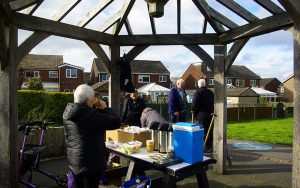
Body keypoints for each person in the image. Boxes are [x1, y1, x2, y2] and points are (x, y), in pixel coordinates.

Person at [63, 84, 121, 188]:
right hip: (91, 164)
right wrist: (105, 108)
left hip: (74, 161)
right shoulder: (89, 115)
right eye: (93, 98)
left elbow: (90, 121)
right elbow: (116, 122)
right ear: (89, 100)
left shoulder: (69, 112)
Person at [191, 79, 214, 152]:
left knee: (203, 131)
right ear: (205, 84)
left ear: (199, 85)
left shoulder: (198, 92)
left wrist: (192, 110)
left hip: (202, 115)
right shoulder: (210, 92)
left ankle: (205, 147)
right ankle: (210, 145)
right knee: (210, 131)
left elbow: (194, 103)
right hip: (210, 114)